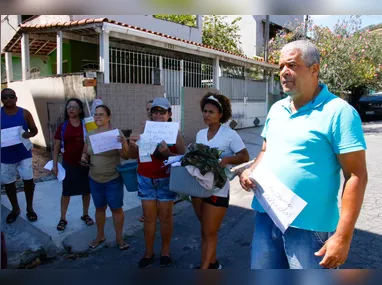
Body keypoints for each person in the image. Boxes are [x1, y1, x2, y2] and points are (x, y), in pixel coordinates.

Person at [239, 40, 368, 269]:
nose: (283, 73)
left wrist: (342, 237)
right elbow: (266, 150)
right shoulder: (277, 109)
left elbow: (356, 175)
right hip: (267, 218)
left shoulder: (339, 112)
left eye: (291, 65)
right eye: (280, 67)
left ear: (314, 69)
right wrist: (251, 170)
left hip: (310, 229)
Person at [192, 93, 249, 269]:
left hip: (218, 189)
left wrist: (225, 160)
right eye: (205, 111)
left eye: (211, 112)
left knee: (210, 232)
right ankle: (212, 263)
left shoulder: (229, 134)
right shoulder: (200, 134)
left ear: (221, 114)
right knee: (205, 231)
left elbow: (244, 155)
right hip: (198, 189)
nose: (206, 115)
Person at [129, 97, 186, 268]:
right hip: (145, 178)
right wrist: (131, 143)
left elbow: (182, 157)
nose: (159, 114)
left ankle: (165, 251)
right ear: (151, 113)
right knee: (149, 218)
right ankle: (148, 252)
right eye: (155, 111)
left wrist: (168, 152)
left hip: (166, 179)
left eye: (162, 111)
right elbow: (132, 155)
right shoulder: (142, 129)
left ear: (169, 114)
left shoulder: (175, 132)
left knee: (166, 218)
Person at [81, 105, 130, 250]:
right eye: (95, 115)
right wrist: (84, 158)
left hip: (112, 178)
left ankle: (119, 238)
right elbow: (86, 152)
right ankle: (100, 236)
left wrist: (124, 144)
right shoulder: (90, 134)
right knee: (99, 208)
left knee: (116, 209)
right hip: (94, 179)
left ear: (109, 117)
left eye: (101, 114)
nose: (97, 117)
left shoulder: (115, 134)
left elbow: (125, 156)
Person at [53, 98, 94, 231]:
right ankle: (63, 218)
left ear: (80, 110)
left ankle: (85, 214)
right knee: (66, 192)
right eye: (69, 107)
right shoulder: (62, 126)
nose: (71, 109)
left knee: (86, 191)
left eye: (74, 107)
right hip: (68, 164)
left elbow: (94, 139)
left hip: (85, 163)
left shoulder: (87, 124)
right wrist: (54, 165)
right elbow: (56, 146)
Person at [1, 88, 38, 223]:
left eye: (11, 96)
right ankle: (15, 209)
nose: (8, 99)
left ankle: (30, 208)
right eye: (5, 97)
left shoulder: (25, 113)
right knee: (9, 182)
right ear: (2, 100)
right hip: (4, 156)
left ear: (16, 98)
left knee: (28, 180)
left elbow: (34, 130)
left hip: (23, 154)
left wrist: (28, 134)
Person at [139, 100, 153, 223]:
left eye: (151, 109)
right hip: (145, 165)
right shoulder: (144, 126)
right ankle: (146, 214)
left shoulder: (167, 126)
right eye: (147, 109)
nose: (149, 112)